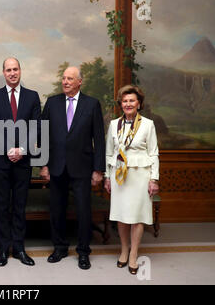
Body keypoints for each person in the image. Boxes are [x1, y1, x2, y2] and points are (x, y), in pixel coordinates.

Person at [40, 66, 105, 270]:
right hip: (56, 167)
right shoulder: (52, 103)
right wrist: (43, 164)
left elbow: (99, 140)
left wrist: (98, 169)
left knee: (84, 211)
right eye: (64, 78)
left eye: (70, 79)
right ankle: (59, 248)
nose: (65, 82)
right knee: (56, 210)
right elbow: (43, 135)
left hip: (83, 168)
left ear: (79, 82)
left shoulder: (92, 104)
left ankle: (83, 252)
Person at [0, 58, 42, 267]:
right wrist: (9, 149)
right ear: (3, 72)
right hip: (1, 160)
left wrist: (22, 150)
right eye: (8, 70)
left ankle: (18, 248)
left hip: (23, 161)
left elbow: (36, 126)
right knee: (2, 206)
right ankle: (2, 249)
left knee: (19, 206)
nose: (12, 73)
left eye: (15, 69)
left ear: (20, 71)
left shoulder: (32, 96)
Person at [104, 85, 159, 275]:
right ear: (121, 104)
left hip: (140, 176)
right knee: (121, 215)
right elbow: (109, 152)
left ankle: (134, 253)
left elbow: (154, 153)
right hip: (119, 176)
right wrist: (106, 176)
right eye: (125, 101)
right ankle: (124, 250)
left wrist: (154, 179)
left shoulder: (148, 124)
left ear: (139, 104)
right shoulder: (114, 124)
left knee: (137, 216)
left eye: (131, 100)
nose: (128, 104)